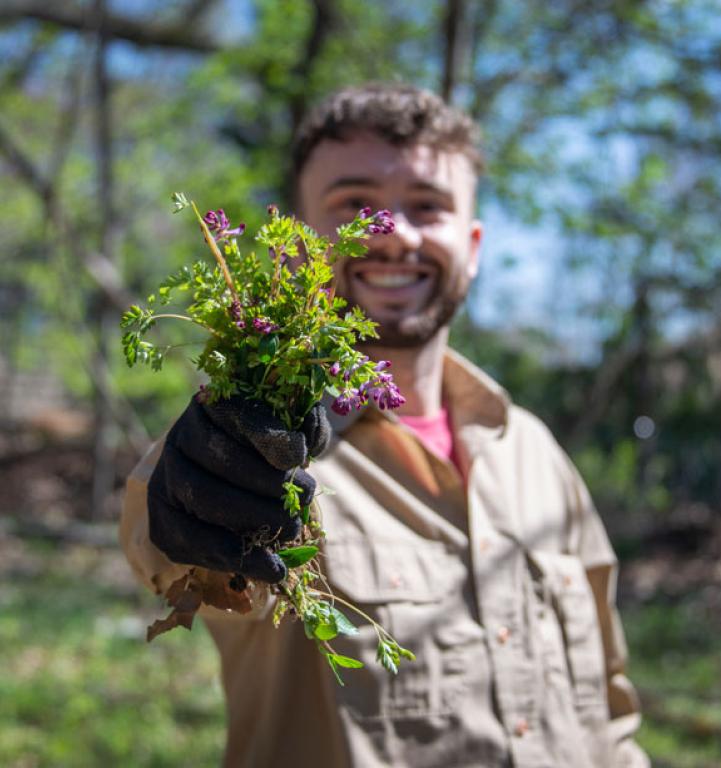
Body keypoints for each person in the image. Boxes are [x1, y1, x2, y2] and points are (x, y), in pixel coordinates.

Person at [120, 83, 650, 768]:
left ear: (475, 244)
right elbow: (172, 536)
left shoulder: (537, 454)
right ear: (297, 247)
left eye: (429, 206)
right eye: (354, 205)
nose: (393, 231)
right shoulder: (259, 443)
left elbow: (609, 706)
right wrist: (188, 500)